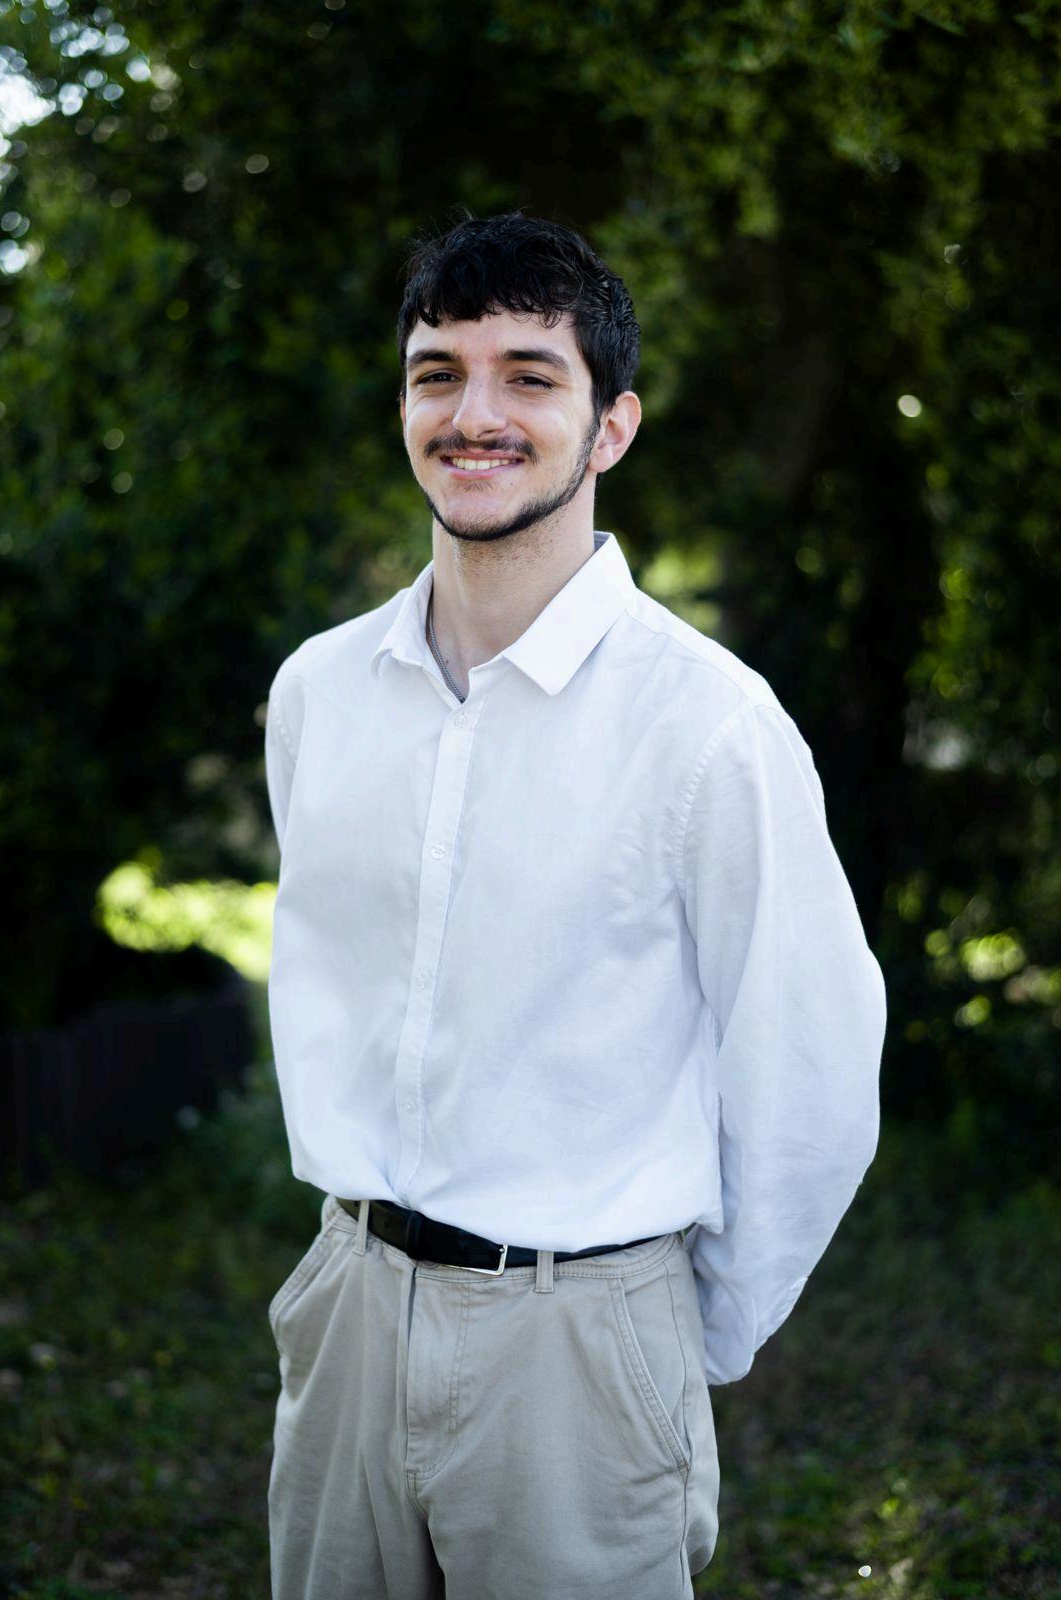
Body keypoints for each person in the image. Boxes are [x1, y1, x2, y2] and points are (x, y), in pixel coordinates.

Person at [262, 208, 887, 1600]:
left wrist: (665, 1334)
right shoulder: (319, 693)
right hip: (347, 1309)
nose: (473, 415)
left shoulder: (711, 725)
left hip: (581, 1342)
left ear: (610, 428)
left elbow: (811, 1070)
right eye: (438, 374)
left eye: (529, 377)